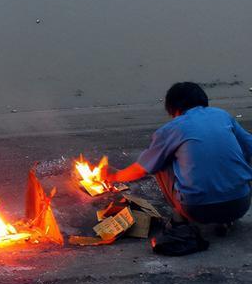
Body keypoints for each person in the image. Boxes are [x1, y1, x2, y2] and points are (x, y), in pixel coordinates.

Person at [105, 82, 252, 233]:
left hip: (197, 210)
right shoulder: (222, 115)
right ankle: (225, 219)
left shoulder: (172, 128)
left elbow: (142, 169)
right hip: (240, 204)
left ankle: (180, 218)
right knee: (233, 150)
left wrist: (114, 176)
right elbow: (249, 146)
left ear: (172, 108)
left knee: (159, 160)